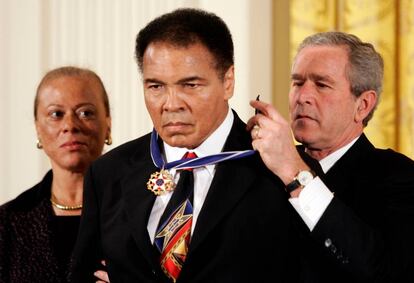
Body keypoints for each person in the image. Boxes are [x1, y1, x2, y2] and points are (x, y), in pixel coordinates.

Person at [71, 8, 297, 283]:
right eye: (156, 87)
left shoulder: (280, 171)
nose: (171, 103)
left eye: (190, 85)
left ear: (228, 81)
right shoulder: (108, 173)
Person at [247, 31, 414, 282]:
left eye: (321, 85)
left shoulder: (399, 176)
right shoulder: (260, 168)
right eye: (297, 82)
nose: (302, 97)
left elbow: (382, 271)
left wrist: (294, 172)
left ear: (363, 105)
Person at [0, 66, 112, 282]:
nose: (70, 125)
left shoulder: (140, 214)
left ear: (107, 124)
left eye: (86, 113)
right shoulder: (6, 223)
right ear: (38, 129)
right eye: (56, 114)